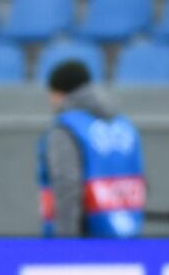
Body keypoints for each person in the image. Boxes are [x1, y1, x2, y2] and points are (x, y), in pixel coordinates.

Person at [40, 60, 145, 238]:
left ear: (59, 93)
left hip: (86, 242)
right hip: (128, 237)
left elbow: (67, 186)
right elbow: (142, 182)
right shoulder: (125, 126)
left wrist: (63, 244)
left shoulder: (66, 128)